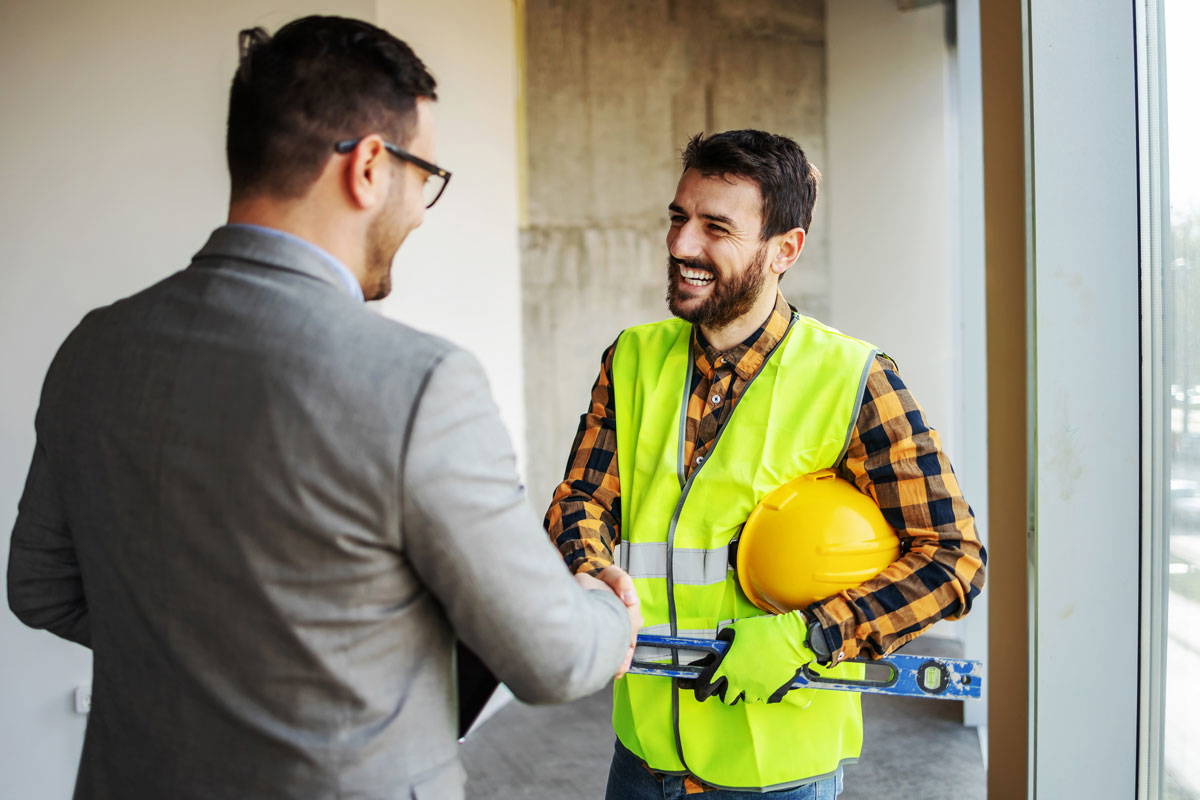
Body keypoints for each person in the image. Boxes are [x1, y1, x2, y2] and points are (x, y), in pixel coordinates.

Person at [7, 16, 639, 800]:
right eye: (426, 180)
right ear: (371, 166)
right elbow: (552, 657)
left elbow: (39, 588)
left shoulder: (94, 349)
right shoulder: (419, 382)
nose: (418, 210)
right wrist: (602, 609)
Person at [544, 129, 987, 798]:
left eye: (715, 227)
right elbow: (583, 497)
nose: (680, 245)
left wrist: (809, 636)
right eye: (678, 218)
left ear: (786, 249)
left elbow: (954, 560)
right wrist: (589, 565)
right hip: (642, 750)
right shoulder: (630, 359)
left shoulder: (854, 379)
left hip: (777, 770)